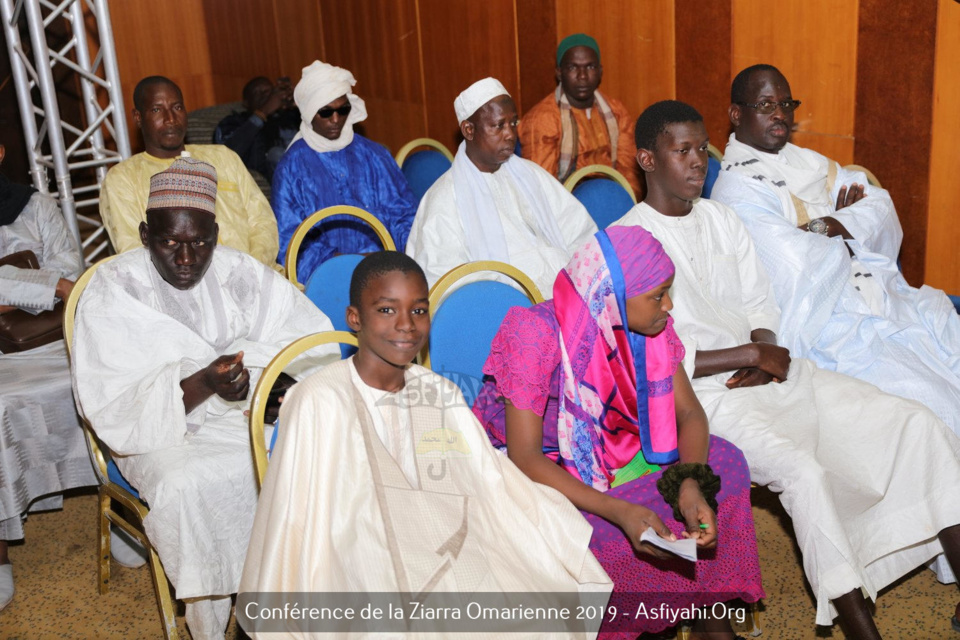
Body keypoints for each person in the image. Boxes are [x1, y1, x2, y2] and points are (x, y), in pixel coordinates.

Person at [613, 99, 960, 637]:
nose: (697, 162)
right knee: (805, 473)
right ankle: (861, 629)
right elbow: (650, 357)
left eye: (701, 150)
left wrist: (763, 346)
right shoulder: (628, 241)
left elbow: (760, 305)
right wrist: (749, 355)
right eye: (680, 151)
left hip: (771, 372)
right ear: (647, 160)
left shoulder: (722, 219)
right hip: (704, 399)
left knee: (918, 425)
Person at [240, 251, 612, 637]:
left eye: (418, 311)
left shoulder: (438, 391)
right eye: (387, 310)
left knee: (529, 603)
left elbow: (484, 479)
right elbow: (300, 514)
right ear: (355, 319)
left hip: (443, 537)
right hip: (358, 547)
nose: (406, 326)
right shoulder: (317, 398)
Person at [72, 158, 338, 639]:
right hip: (156, 432)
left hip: (246, 417)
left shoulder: (239, 271)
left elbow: (309, 338)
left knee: (316, 451)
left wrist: (278, 385)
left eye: (200, 242)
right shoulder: (113, 290)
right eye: (170, 242)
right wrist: (204, 384)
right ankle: (214, 626)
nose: (187, 258)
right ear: (144, 233)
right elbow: (113, 400)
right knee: (188, 487)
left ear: (216, 233)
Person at [473, 225, 764, 639]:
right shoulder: (534, 334)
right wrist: (619, 510)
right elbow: (526, 458)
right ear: (610, 296)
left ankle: (704, 608)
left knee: (725, 461)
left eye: (668, 291)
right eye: (657, 295)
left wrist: (689, 484)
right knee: (592, 532)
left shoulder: (651, 328)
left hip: (622, 449)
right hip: (545, 466)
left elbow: (689, 415)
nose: (668, 306)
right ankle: (641, 620)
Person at [710, 64, 960, 436]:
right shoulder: (736, 187)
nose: (780, 114)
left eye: (785, 103)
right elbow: (794, 263)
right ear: (736, 114)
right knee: (935, 403)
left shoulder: (806, 162)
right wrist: (840, 221)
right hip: (827, 324)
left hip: (879, 296)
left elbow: (880, 205)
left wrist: (824, 225)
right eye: (765, 105)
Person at [0, 142, 94, 612]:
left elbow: (71, 270)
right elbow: (56, 282)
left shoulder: (35, 205)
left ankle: (115, 508)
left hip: (49, 339)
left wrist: (15, 292)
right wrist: (42, 284)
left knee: (97, 381)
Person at [406, 78, 597, 295]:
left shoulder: (530, 174)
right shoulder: (445, 198)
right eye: (499, 125)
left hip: (565, 293)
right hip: (507, 308)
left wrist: (579, 283)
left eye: (513, 123)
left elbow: (579, 231)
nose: (510, 134)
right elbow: (445, 281)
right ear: (469, 130)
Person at [100, 76, 279, 267]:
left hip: (256, 273)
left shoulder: (224, 157)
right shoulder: (122, 178)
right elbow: (134, 251)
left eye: (177, 108)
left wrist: (251, 270)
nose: (170, 119)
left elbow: (263, 223)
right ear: (138, 117)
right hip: (182, 287)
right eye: (157, 110)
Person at [271, 61, 417, 283]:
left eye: (343, 109)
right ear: (309, 113)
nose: (336, 120)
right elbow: (290, 242)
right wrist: (346, 264)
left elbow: (406, 216)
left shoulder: (375, 155)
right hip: (328, 279)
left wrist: (398, 256)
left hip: (386, 272)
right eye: (326, 112)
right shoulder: (291, 168)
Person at [520, 34, 642, 196]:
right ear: (559, 73)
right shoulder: (543, 118)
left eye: (590, 67)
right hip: (566, 208)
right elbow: (541, 188)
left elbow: (629, 174)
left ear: (600, 71)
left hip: (613, 201)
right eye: (572, 68)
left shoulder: (616, 111)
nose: (582, 76)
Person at [213, 76, 299, 181]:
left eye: (270, 92)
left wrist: (301, 103)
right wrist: (262, 113)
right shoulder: (236, 122)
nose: (266, 95)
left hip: (306, 164)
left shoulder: (292, 115)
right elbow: (226, 155)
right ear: (246, 103)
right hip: (276, 172)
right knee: (276, 154)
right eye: (258, 93)